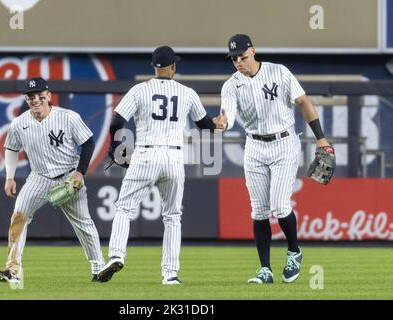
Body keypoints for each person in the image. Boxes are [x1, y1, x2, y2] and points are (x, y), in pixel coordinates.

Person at [213, 34, 334, 284]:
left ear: (253, 51)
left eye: (242, 56)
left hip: (284, 142)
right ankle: (265, 270)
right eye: (234, 58)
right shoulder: (231, 85)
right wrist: (223, 123)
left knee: (279, 206)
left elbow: (303, 102)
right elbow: (228, 114)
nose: (238, 62)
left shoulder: (279, 72)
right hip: (254, 146)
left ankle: (294, 251)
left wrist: (321, 138)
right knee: (258, 211)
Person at [97, 46, 217, 285]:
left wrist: (115, 146)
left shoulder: (140, 90)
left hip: (145, 154)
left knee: (124, 209)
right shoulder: (187, 92)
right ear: (173, 67)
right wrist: (218, 122)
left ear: (154, 67)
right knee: (172, 216)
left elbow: (117, 122)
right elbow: (207, 128)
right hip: (174, 158)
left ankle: (116, 255)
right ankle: (170, 274)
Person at [0, 77, 105, 286]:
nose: (35, 99)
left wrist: (80, 173)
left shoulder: (68, 117)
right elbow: (11, 149)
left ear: (49, 95)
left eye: (39, 95)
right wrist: (9, 177)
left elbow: (88, 143)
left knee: (83, 224)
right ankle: (13, 269)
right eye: (30, 96)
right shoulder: (19, 123)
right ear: (26, 99)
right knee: (19, 216)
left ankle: (98, 266)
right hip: (39, 178)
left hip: (68, 177)